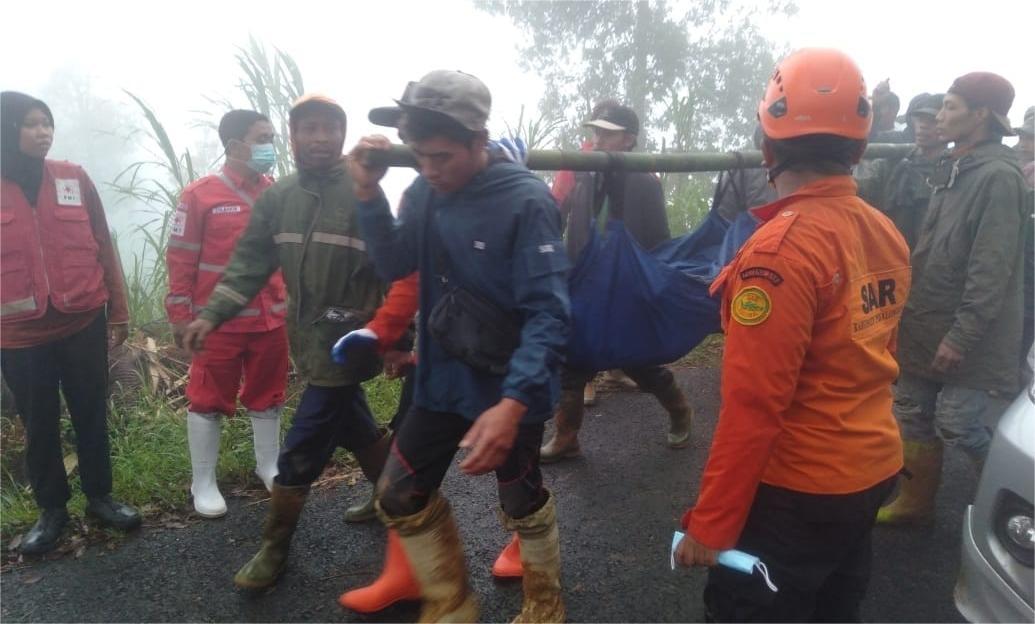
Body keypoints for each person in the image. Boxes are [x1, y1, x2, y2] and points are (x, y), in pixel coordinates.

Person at [674, 49, 911, 622]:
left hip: (799, 493)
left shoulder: (778, 255)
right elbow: (879, 349)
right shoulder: (884, 232)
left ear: (767, 146)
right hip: (870, 470)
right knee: (834, 607)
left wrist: (712, 524)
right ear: (857, 148)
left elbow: (754, 407)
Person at [347, 69, 570, 622]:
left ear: (479, 140)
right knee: (397, 494)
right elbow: (397, 262)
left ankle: (545, 603)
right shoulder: (424, 190)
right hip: (442, 381)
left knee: (519, 499)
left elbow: (549, 314)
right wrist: (368, 192)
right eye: (419, 155)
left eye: (442, 156)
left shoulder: (526, 201)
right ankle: (451, 604)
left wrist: (512, 406)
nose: (428, 168)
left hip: (509, 382)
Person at [180, 94, 392, 589]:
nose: (321, 137)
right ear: (294, 136)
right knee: (357, 425)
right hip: (307, 342)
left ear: (342, 135)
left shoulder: (363, 191)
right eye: (309, 128)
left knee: (300, 450)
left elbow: (391, 266)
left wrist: (394, 334)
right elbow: (249, 264)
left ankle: (275, 547)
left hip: (350, 341)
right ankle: (393, 495)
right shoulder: (280, 198)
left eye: (330, 128)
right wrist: (211, 315)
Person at [878, 73, 1028, 526]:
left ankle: (1015, 495)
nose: (939, 117)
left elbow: (992, 267)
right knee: (912, 411)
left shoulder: (998, 177)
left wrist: (961, 335)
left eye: (950, 106)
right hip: (927, 317)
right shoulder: (955, 166)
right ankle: (915, 501)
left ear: (981, 115)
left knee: (959, 423)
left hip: (968, 329)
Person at [0, 91, 141, 555]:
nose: (44, 132)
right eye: (31, 123)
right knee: (39, 423)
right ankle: (52, 510)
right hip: (19, 334)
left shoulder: (72, 178)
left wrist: (118, 309)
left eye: (48, 122)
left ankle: (100, 497)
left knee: (90, 413)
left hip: (82, 319)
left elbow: (103, 240)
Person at [541, 103, 693, 463]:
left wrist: (651, 288)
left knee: (637, 360)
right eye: (596, 132)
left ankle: (680, 410)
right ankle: (567, 436)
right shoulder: (584, 174)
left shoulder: (644, 181)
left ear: (628, 139)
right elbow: (568, 225)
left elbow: (658, 240)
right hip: (584, 282)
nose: (597, 139)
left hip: (627, 285)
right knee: (573, 360)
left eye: (607, 132)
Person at [165, 110, 289, 518]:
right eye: (262, 138)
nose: (270, 145)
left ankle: (268, 466)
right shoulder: (200, 196)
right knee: (207, 398)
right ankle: (202, 482)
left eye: (271, 137)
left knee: (268, 394)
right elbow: (181, 258)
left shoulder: (275, 191)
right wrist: (181, 314)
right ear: (236, 146)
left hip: (270, 318)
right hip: (217, 323)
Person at [873, 93, 948, 250]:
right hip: (892, 255)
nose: (923, 126)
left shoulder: (955, 170)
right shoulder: (894, 164)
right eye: (920, 119)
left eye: (932, 121)